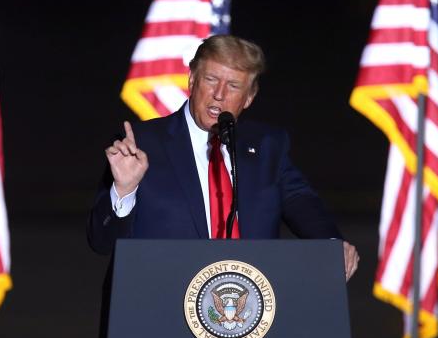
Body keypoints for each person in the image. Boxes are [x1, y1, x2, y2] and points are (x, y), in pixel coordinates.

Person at [87, 34, 360, 280]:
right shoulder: (141, 144)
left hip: (247, 316)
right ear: (192, 80)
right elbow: (101, 242)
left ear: (250, 97)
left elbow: (301, 202)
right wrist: (124, 191)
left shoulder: (268, 146)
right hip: (160, 311)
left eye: (233, 85)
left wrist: (332, 243)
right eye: (211, 79)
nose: (219, 94)